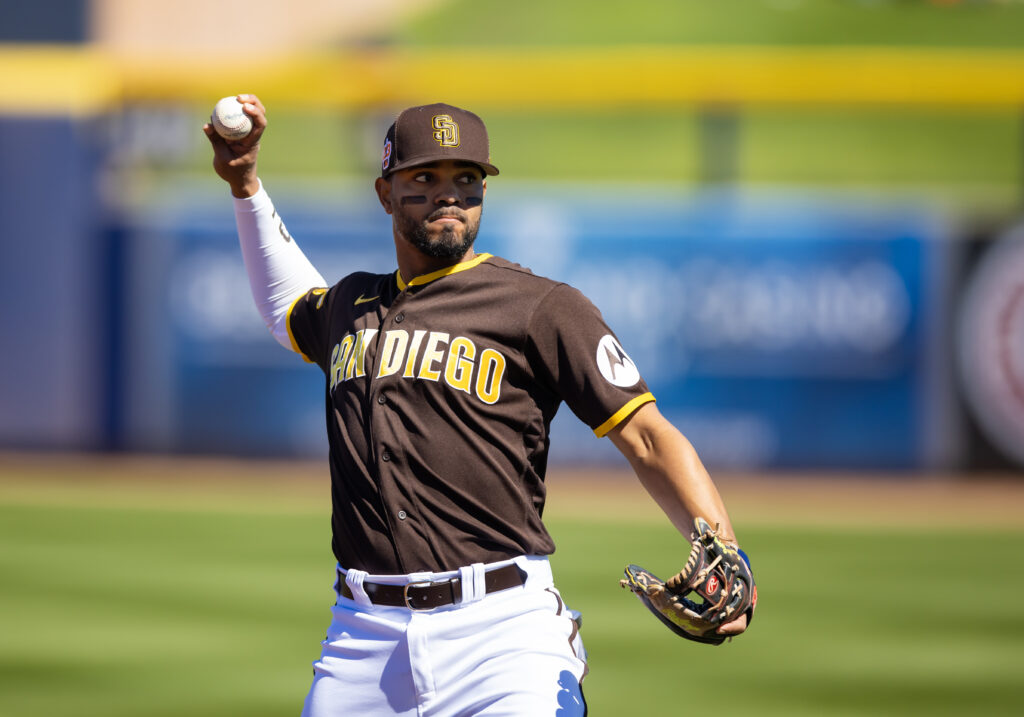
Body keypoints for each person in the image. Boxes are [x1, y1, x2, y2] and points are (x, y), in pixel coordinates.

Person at [205, 96, 749, 716]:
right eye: (424, 179)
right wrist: (246, 183)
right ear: (385, 193)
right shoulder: (351, 305)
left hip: (502, 636)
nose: (450, 196)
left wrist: (725, 549)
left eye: (467, 179)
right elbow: (286, 305)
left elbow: (647, 435)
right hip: (361, 639)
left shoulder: (540, 307)